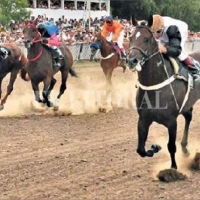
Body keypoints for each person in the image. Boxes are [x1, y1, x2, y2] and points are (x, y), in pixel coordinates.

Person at [150, 14, 200, 81]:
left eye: (158, 32)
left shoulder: (172, 29)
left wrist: (165, 49)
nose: (155, 36)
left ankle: (195, 69)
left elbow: (177, 50)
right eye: (153, 32)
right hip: (165, 31)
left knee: (179, 53)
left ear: (163, 27)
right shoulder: (154, 26)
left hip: (180, 30)